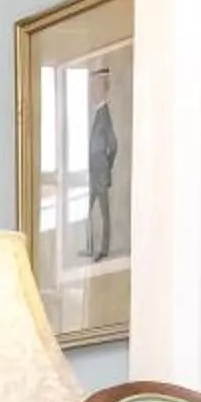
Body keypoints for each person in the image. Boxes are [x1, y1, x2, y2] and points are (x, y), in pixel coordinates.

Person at [84, 70, 119, 261]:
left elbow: (112, 145)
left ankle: (103, 249)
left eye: (95, 87)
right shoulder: (98, 113)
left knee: (103, 212)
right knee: (88, 210)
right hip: (94, 174)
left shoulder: (104, 114)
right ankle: (90, 247)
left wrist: (107, 166)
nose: (92, 91)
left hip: (100, 174)